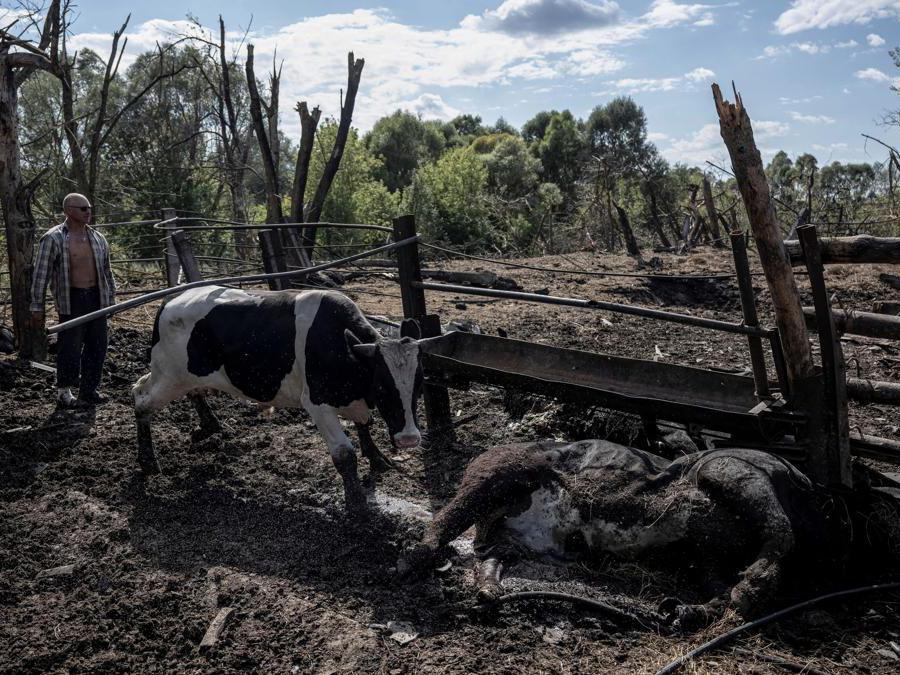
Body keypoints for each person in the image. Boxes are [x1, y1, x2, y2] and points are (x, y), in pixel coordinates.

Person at [30, 193, 116, 407]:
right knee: (70, 346)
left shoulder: (97, 238)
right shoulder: (54, 238)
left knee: (98, 345)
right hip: (72, 299)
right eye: (83, 208)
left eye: (89, 208)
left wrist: (110, 300)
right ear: (69, 210)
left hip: (97, 297)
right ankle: (64, 393)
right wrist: (37, 306)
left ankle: (89, 390)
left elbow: (107, 272)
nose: (88, 212)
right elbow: (41, 274)